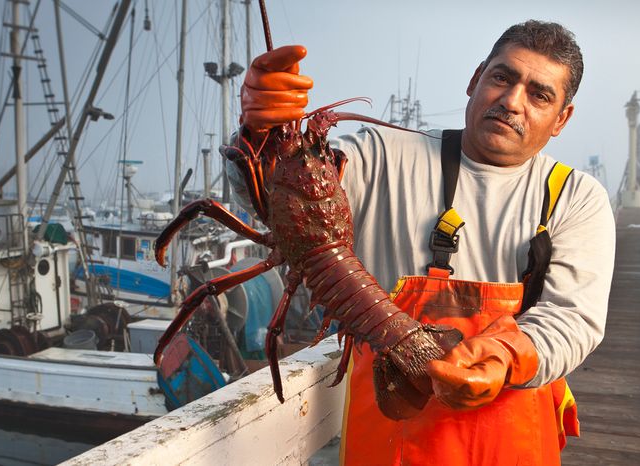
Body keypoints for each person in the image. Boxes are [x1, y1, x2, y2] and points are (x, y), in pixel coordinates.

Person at [233, 20, 615, 465]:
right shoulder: (379, 155)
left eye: (539, 94)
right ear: (475, 80)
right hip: (388, 436)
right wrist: (258, 134)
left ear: (561, 119)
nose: (512, 102)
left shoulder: (575, 197)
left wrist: (505, 355)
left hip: (511, 433)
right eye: (502, 77)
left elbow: (574, 318)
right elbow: (280, 202)